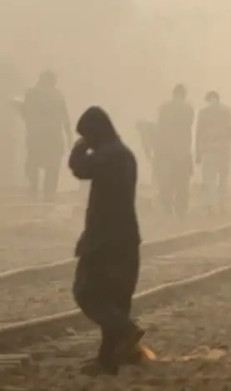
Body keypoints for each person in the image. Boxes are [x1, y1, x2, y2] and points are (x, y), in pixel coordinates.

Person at [68, 107, 143, 376]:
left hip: (104, 239)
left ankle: (125, 331)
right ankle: (109, 359)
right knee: (116, 298)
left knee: (86, 291)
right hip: (125, 238)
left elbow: (80, 168)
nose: (87, 141)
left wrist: (78, 148)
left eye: (87, 136)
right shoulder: (125, 155)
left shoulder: (109, 155)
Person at [19, 70, 72, 201]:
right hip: (52, 138)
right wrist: (69, 136)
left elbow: (25, 113)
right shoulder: (57, 96)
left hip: (37, 137)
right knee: (51, 169)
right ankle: (48, 197)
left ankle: (35, 191)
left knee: (34, 165)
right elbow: (65, 118)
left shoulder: (31, 94)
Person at [155, 84, 195, 218]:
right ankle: (181, 210)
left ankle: (167, 209)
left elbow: (160, 129)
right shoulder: (188, 109)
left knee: (167, 181)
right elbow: (189, 127)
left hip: (167, 152)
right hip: (183, 152)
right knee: (182, 182)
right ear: (184, 95)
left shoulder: (165, 108)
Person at [195, 91, 231, 214]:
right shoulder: (225, 112)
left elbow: (199, 134)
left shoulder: (204, 113)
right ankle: (220, 204)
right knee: (221, 179)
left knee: (210, 179)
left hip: (210, 151)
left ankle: (211, 206)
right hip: (222, 150)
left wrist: (198, 152)